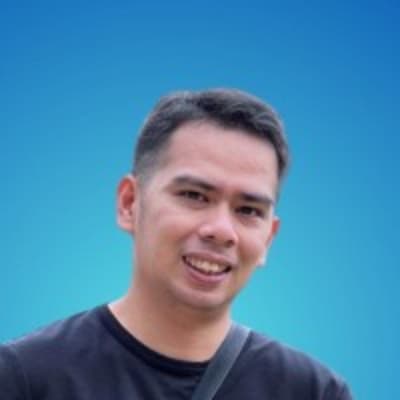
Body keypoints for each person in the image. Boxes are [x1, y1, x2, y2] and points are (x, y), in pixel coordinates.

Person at [0, 88, 352, 399]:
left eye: (248, 210)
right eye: (194, 195)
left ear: (269, 238)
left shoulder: (313, 391)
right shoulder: (25, 377)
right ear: (129, 203)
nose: (221, 231)